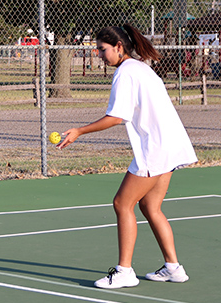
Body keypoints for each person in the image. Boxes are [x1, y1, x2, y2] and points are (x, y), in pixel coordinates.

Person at [57, 24, 198, 289]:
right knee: (150, 207)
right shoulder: (142, 68)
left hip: (155, 149)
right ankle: (173, 267)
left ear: (119, 47)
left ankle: (124, 272)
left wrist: (79, 131)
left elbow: (117, 117)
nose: (99, 55)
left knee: (122, 204)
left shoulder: (126, 73)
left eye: (102, 49)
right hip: (168, 146)